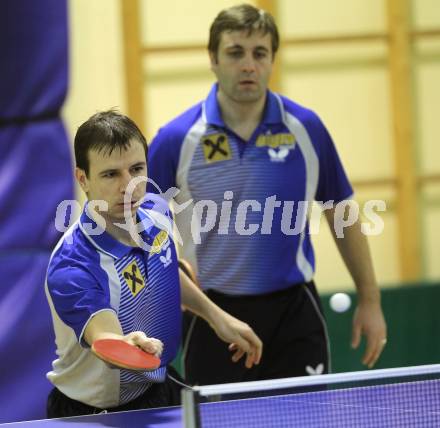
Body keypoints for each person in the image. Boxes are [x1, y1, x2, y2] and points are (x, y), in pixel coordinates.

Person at [147, 3, 387, 385]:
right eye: (235, 52)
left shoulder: (306, 129)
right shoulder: (175, 141)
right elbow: (143, 236)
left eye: (260, 53)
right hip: (212, 316)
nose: (248, 65)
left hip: (295, 314)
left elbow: (341, 213)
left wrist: (370, 300)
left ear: (272, 59)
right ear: (213, 58)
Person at [44, 110, 262, 417]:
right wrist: (124, 344)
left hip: (158, 387)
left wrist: (216, 317)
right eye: (110, 174)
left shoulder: (156, 211)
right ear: (83, 179)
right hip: (96, 411)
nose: (129, 186)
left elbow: (165, 272)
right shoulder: (73, 265)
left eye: (136, 169)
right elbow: (103, 338)